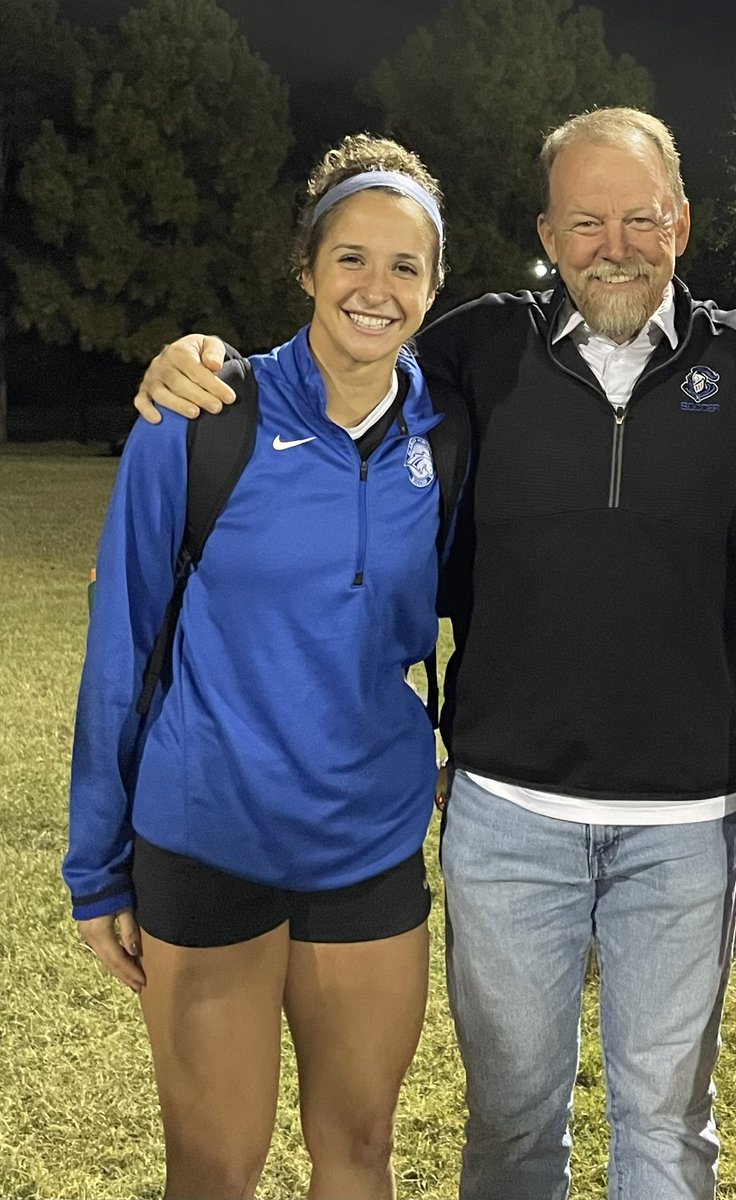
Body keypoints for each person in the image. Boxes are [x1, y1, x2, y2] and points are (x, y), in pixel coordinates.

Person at [132, 109, 736, 1200]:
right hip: (504, 816)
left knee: (669, 1131)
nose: (614, 244)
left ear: (681, 222)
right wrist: (205, 363)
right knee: (513, 1127)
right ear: (548, 229)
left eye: (640, 218)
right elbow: (347, 355)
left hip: (685, 828)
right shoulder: (473, 353)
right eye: (586, 222)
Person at [65, 134, 460, 1200]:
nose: (375, 290)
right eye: (351, 259)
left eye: (405, 266)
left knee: (359, 1154)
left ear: (435, 286)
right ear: (306, 269)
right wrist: (94, 862)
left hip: (370, 842)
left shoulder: (452, 429)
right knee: (213, 1164)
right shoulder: (202, 417)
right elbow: (123, 645)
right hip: (209, 838)